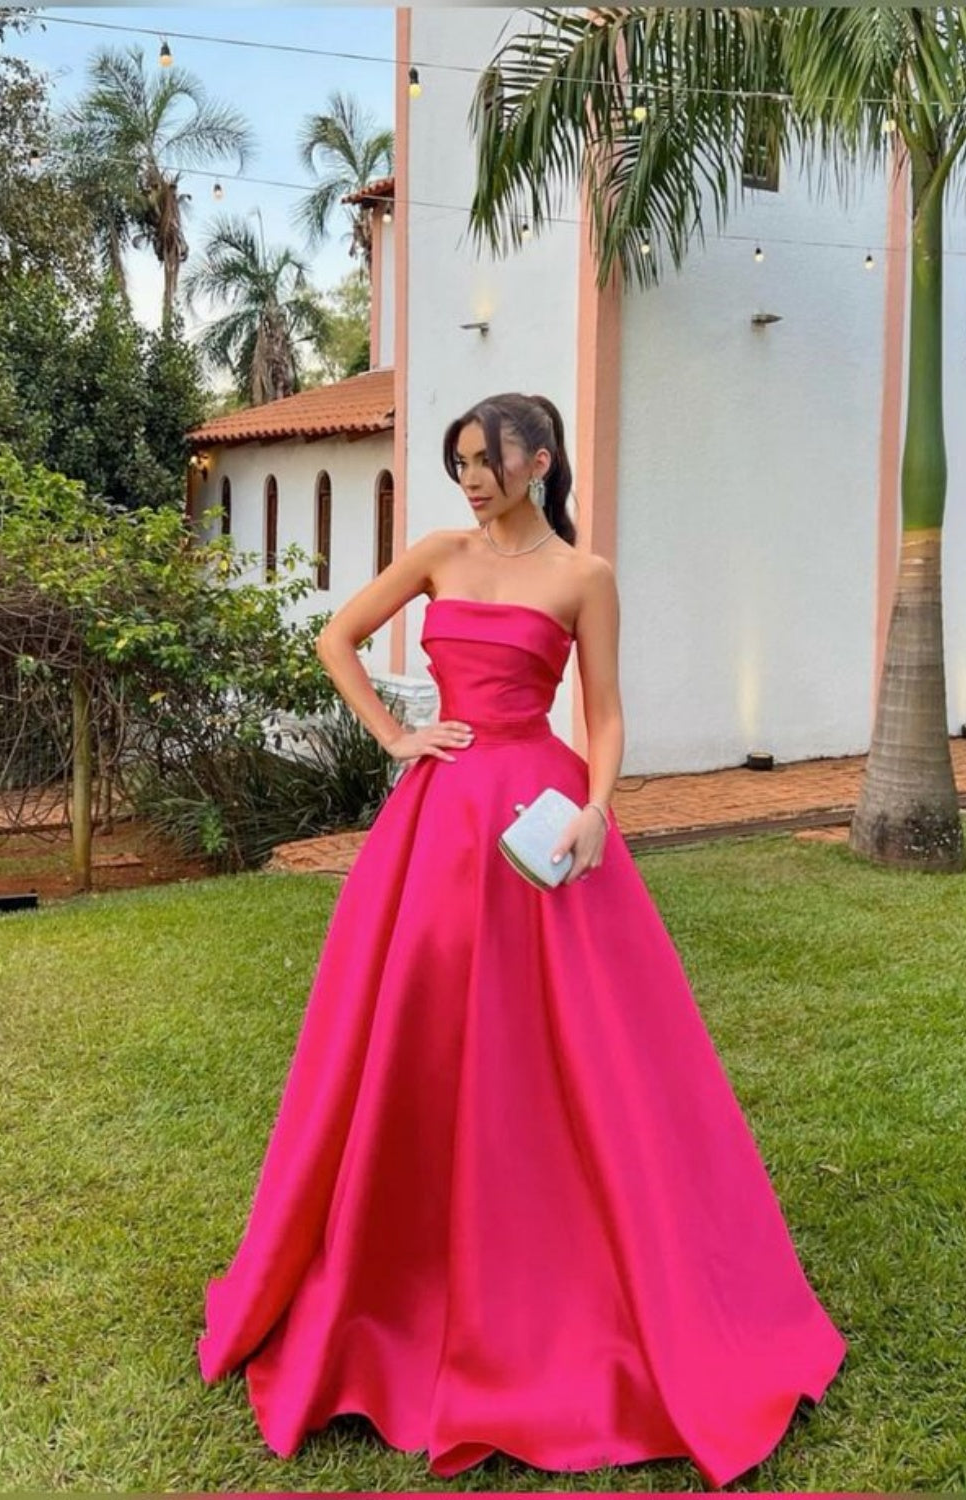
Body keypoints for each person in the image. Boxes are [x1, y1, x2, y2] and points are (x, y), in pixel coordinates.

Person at [198, 391, 846, 1486]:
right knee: (416, 1031)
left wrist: (596, 808)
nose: (469, 479)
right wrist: (397, 735)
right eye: (458, 461)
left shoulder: (584, 577)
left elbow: (605, 711)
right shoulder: (437, 554)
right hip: (436, 822)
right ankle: (394, 1266)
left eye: (484, 460)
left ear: (539, 461)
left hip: (539, 820)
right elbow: (334, 638)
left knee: (569, 1050)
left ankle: (571, 1275)